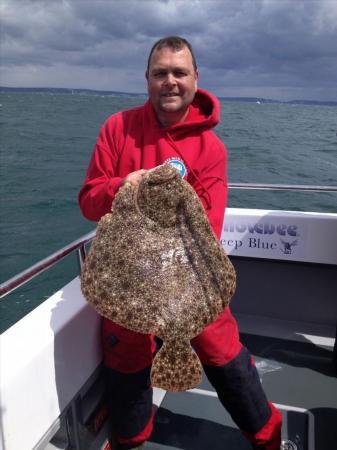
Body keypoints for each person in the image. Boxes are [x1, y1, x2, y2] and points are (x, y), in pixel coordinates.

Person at [79, 36, 282, 450]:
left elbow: (209, 229)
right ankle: (131, 441)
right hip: (130, 279)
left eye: (179, 72)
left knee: (225, 354)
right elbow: (88, 201)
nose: (169, 81)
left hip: (190, 282)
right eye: (160, 73)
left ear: (195, 78)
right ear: (147, 79)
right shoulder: (117, 128)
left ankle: (268, 439)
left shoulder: (211, 148)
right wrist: (124, 185)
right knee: (126, 360)